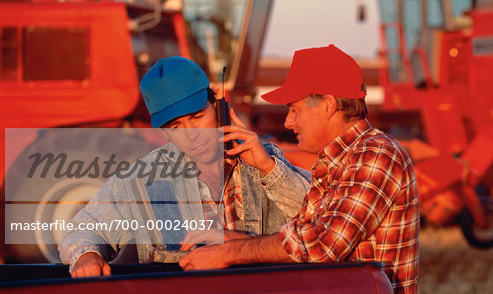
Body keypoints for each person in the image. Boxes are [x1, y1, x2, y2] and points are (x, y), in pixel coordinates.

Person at [179, 45, 420, 294]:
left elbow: (320, 246)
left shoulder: (376, 154)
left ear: (329, 105)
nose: (287, 121)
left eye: (294, 110)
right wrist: (232, 238)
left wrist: (228, 253)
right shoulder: (339, 161)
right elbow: (304, 236)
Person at [59, 56, 311, 278]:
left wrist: (268, 169)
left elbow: (323, 220)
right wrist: (86, 256)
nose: (192, 135)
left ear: (218, 107)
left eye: (197, 117)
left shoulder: (267, 160)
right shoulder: (141, 179)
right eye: (176, 127)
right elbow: (84, 229)